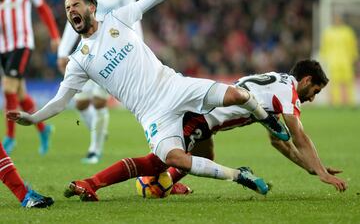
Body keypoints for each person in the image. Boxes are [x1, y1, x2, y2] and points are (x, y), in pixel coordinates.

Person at [8, 0, 289, 197]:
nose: (71, 11)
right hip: (151, 113)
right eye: (68, 9)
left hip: (174, 86)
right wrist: (33, 118)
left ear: (92, 6)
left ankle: (268, 120)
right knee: (174, 158)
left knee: (238, 95)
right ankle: (239, 175)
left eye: (76, 5)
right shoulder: (78, 60)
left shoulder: (117, 20)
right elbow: (60, 101)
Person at [60, 60, 347, 201]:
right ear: (306, 80)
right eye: (316, 91)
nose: (313, 98)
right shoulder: (289, 92)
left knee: (203, 155)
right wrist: (320, 171)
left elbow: (280, 143)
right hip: (200, 116)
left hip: (205, 117)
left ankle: (166, 183)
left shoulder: (277, 82)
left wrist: (312, 169)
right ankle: (91, 183)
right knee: (160, 160)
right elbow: (298, 135)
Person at [57, 0, 143, 164]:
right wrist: (63, 51)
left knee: (98, 101)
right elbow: (71, 23)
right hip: (86, 52)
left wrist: (138, 47)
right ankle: (99, 133)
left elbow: (134, 17)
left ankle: (94, 149)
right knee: (82, 104)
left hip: (113, 53)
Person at [0, 0, 54, 208]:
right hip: (6, 46)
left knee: (14, 89)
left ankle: (24, 195)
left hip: (19, 43)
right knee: (13, 89)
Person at [0, 0, 60, 155]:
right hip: (3, 45)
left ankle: (9, 137)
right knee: (20, 93)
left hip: (22, 43)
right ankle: (44, 130)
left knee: (8, 87)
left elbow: (43, 9)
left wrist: (54, 35)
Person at [320, 14, 358, 106]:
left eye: (338, 19)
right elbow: (324, 47)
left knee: (347, 82)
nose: (337, 20)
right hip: (333, 61)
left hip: (346, 61)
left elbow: (353, 45)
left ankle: (348, 102)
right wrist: (324, 58)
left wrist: (354, 57)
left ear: (341, 20)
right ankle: (335, 102)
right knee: (334, 82)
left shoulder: (348, 31)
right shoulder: (328, 32)